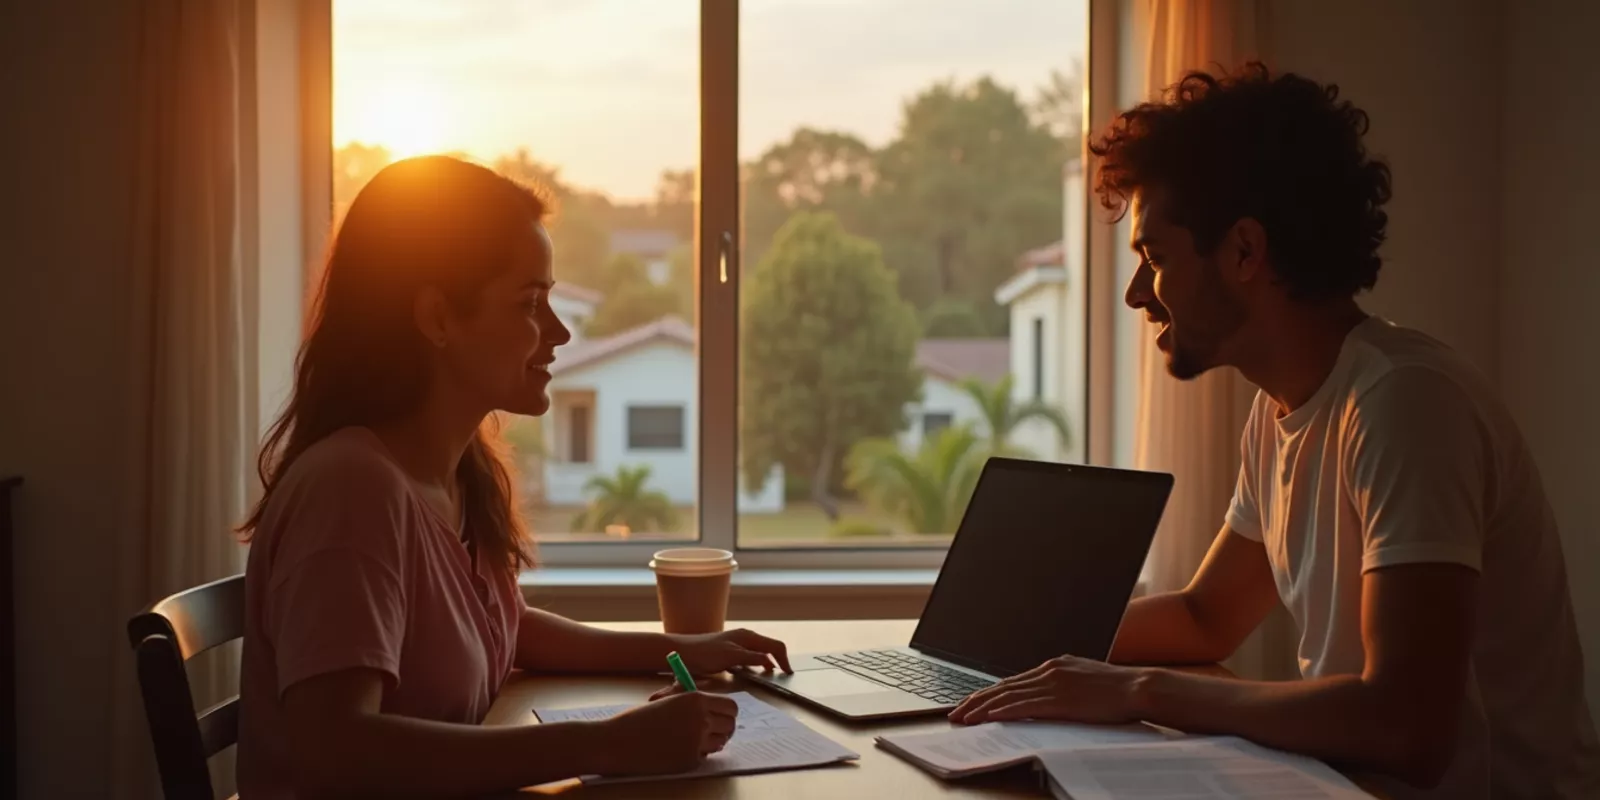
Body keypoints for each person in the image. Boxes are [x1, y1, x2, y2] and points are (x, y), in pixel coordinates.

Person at [951, 63, 1599, 798]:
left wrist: (1139, 690)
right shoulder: (1282, 407)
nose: (1138, 293)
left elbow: (1407, 727)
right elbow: (1205, 617)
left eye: (1155, 258)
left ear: (1245, 251)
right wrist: (1004, 643)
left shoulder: (1406, 404)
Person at [236, 156, 792, 799]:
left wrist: (679, 647)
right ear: (438, 318)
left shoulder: (450, 475)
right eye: (531, 302)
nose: (559, 332)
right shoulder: (351, 493)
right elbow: (337, 748)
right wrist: (608, 744)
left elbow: (503, 625)